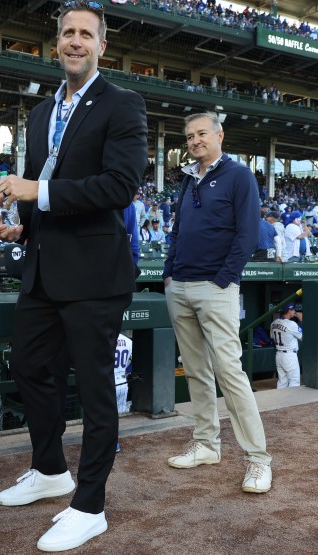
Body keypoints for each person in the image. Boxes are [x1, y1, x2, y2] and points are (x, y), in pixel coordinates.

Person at [0, 2, 148, 551]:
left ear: (102, 46)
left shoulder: (123, 104)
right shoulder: (40, 113)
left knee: (95, 389)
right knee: (31, 368)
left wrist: (38, 193)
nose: (75, 41)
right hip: (42, 264)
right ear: (55, 43)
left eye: (86, 33)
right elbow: (43, 185)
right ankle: (51, 469)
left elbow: (118, 186)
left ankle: (91, 504)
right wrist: (23, 226)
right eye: (67, 33)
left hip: (95, 272)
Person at [163, 112, 272, 495]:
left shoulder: (239, 175)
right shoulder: (188, 178)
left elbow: (248, 235)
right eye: (189, 136)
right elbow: (177, 230)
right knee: (195, 370)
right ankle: (207, 444)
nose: (195, 141)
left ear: (219, 135)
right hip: (181, 286)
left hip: (215, 287)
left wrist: (223, 278)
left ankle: (257, 459)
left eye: (201, 133)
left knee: (230, 373)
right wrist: (169, 273)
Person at [270, 305, 302, 388]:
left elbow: (272, 337)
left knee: (282, 382)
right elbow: (303, 337)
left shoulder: (274, 322)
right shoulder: (292, 324)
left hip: (279, 355)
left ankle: (280, 401)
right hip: (289, 356)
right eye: (293, 309)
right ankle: (293, 401)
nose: (294, 311)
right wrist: (301, 321)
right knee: (294, 382)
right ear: (289, 311)